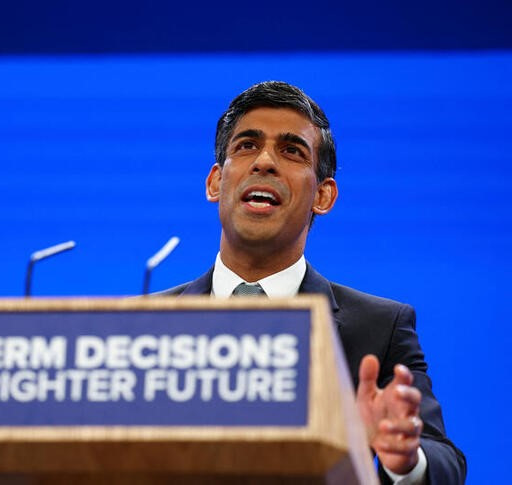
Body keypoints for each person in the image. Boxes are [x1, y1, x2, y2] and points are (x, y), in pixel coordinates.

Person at [160, 81, 466, 484]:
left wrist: (404, 458)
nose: (264, 162)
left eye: (291, 151)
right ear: (216, 182)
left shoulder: (379, 328)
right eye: (246, 145)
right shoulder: (148, 323)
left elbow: (444, 462)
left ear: (323, 195)